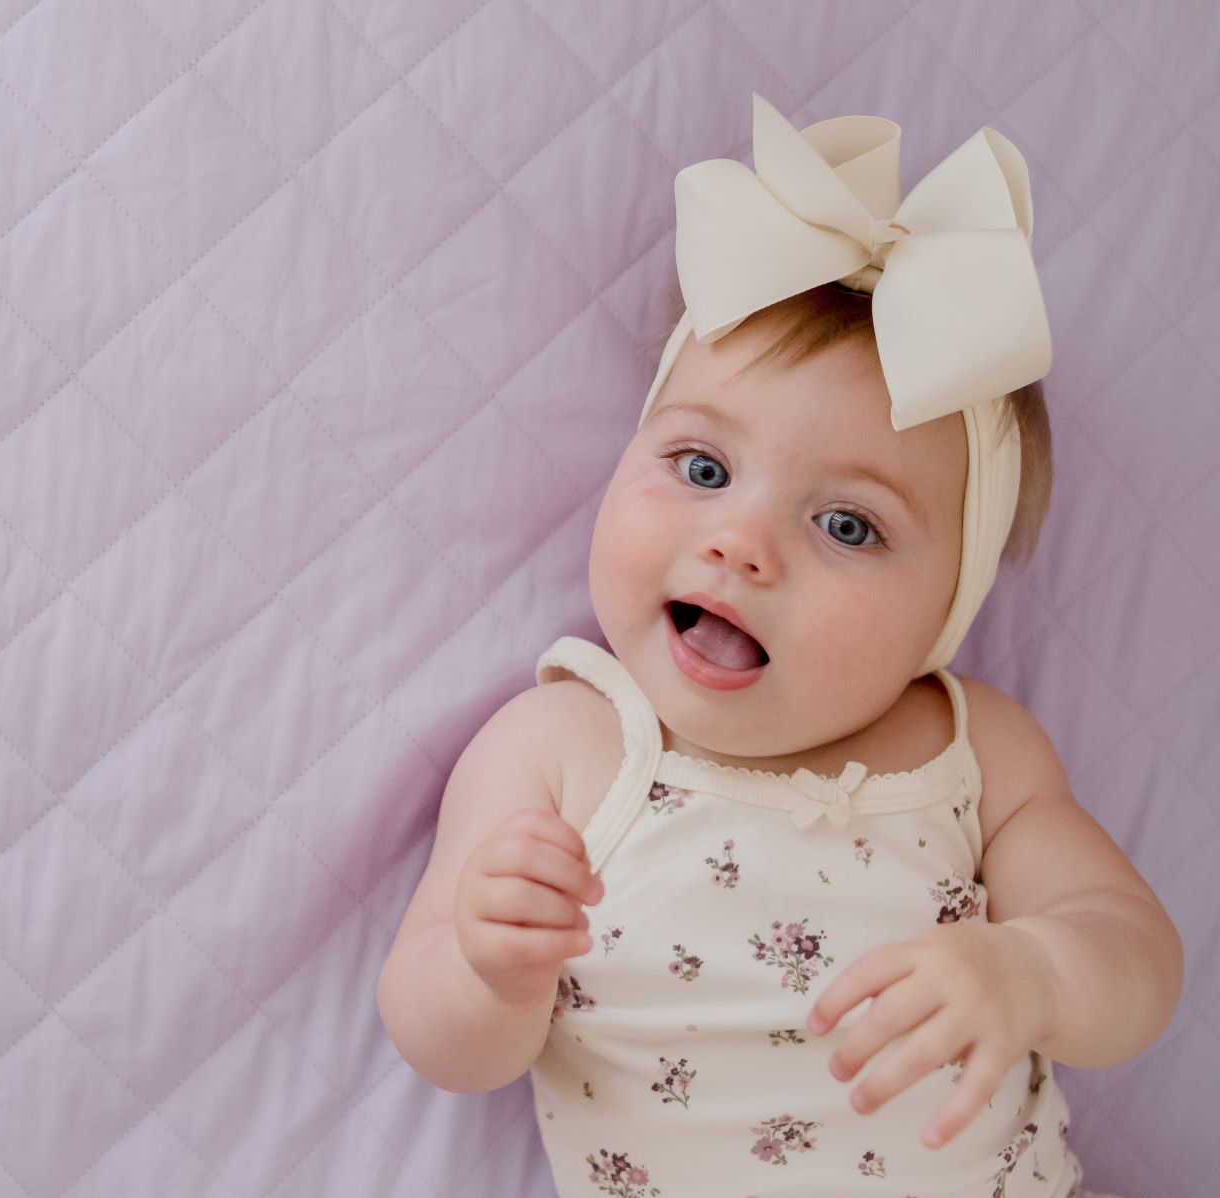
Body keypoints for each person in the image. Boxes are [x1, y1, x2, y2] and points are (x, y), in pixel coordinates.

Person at [377, 94, 1182, 1197]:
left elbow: (1134, 956)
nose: (741, 545)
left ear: (944, 609)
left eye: (846, 525)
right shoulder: (562, 745)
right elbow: (440, 1042)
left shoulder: (973, 752)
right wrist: (485, 968)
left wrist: (1033, 968)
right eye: (702, 469)